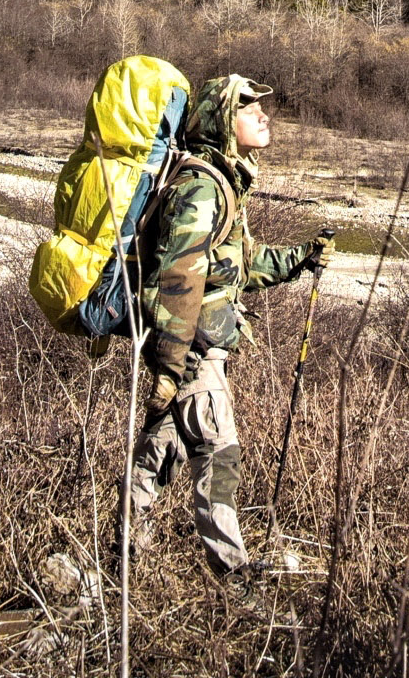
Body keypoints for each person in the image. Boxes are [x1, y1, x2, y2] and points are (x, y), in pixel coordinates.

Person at [127, 73, 333, 581]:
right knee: (220, 455)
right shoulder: (201, 188)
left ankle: (120, 554)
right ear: (222, 119)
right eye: (248, 108)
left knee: (156, 453)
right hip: (194, 352)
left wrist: (300, 258)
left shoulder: (221, 184)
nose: (263, 115)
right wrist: (171, 367)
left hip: (189, 351)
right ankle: (232, 574)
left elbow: (238, 265)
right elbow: (177, 279)